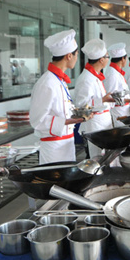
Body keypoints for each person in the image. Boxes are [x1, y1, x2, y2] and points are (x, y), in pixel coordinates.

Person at [30, 29, 84, 165]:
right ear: (69, 56)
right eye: (76, 55)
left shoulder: (59, 80)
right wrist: (68, 121)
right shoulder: (47, 83)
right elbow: (37, 121)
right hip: (53, 149)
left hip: (67, 144)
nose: (77, 59)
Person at [73, 38, 113, 158]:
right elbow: (81, 105)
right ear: (101, 60)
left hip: (102, 124)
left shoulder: (95, 76)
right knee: (96, 158)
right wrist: (103, 100)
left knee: (104, 157)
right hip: (94, 126)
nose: (108, 59)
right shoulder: (86, 79)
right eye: (107, 57)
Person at [104, 42, 130, 120]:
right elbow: (110, 96)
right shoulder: (113, 74)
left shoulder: (116, 72)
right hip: (117, 113)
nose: (126, 61)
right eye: (126, 58)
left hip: (122, 111)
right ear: (122, 59)